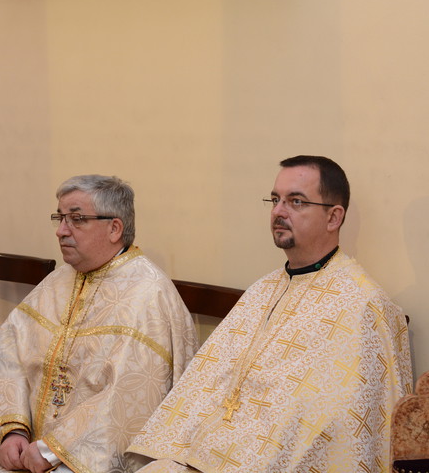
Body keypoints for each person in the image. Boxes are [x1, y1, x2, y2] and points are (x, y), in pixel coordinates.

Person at [127, 156, 412, 472]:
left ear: (333, 217)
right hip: (200, 456)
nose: (278, 211)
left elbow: (343, 427)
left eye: (296, 201)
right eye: (275, 200)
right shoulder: (263, 289)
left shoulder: (363, 304)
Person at [0, 175, 198, 473]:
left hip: (89, 453)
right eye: (60, 218)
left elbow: (126, 403)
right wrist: (13, 431)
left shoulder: (149, 294)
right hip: (27, 432)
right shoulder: (59, 280)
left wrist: (50, 451)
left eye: (76, 219)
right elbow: (9, 358)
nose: (61, 231)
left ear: (114, 228)